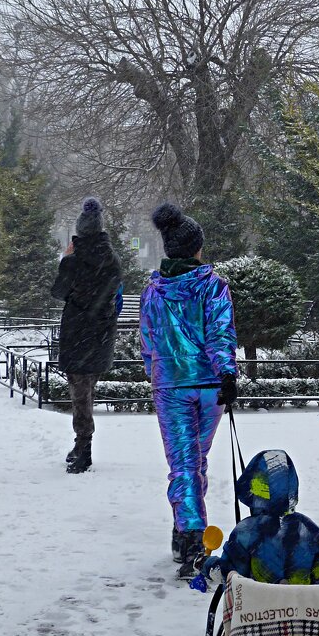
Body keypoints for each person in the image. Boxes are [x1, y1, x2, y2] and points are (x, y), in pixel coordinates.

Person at [139, 203, 238, 578]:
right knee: (196, 460)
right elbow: (221, 334)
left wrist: (156, 374)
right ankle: (188, 531)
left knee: (184, 464)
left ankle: (189, 534)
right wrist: (226, 374)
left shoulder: (153, 293)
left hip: (171, 386)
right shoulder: (214, 287)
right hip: (210, 386)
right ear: (196, 247)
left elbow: (147, 342)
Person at [50, 197, 123, 474]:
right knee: (86, 389)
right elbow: (115, 292)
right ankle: (81, 444)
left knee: (79, 391)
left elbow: (58, 292)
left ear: (80, 231)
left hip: (78, 331)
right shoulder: (111, 258)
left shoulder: (74, 260)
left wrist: (66, 260)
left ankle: (84, 447)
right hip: (100, 332)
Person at [202, 449, 319, 586]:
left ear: (252, 489)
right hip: (303, 605)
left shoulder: (246, 533)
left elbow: (229, 574)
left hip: (258, 606)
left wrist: (206, 564)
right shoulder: (309, 529)